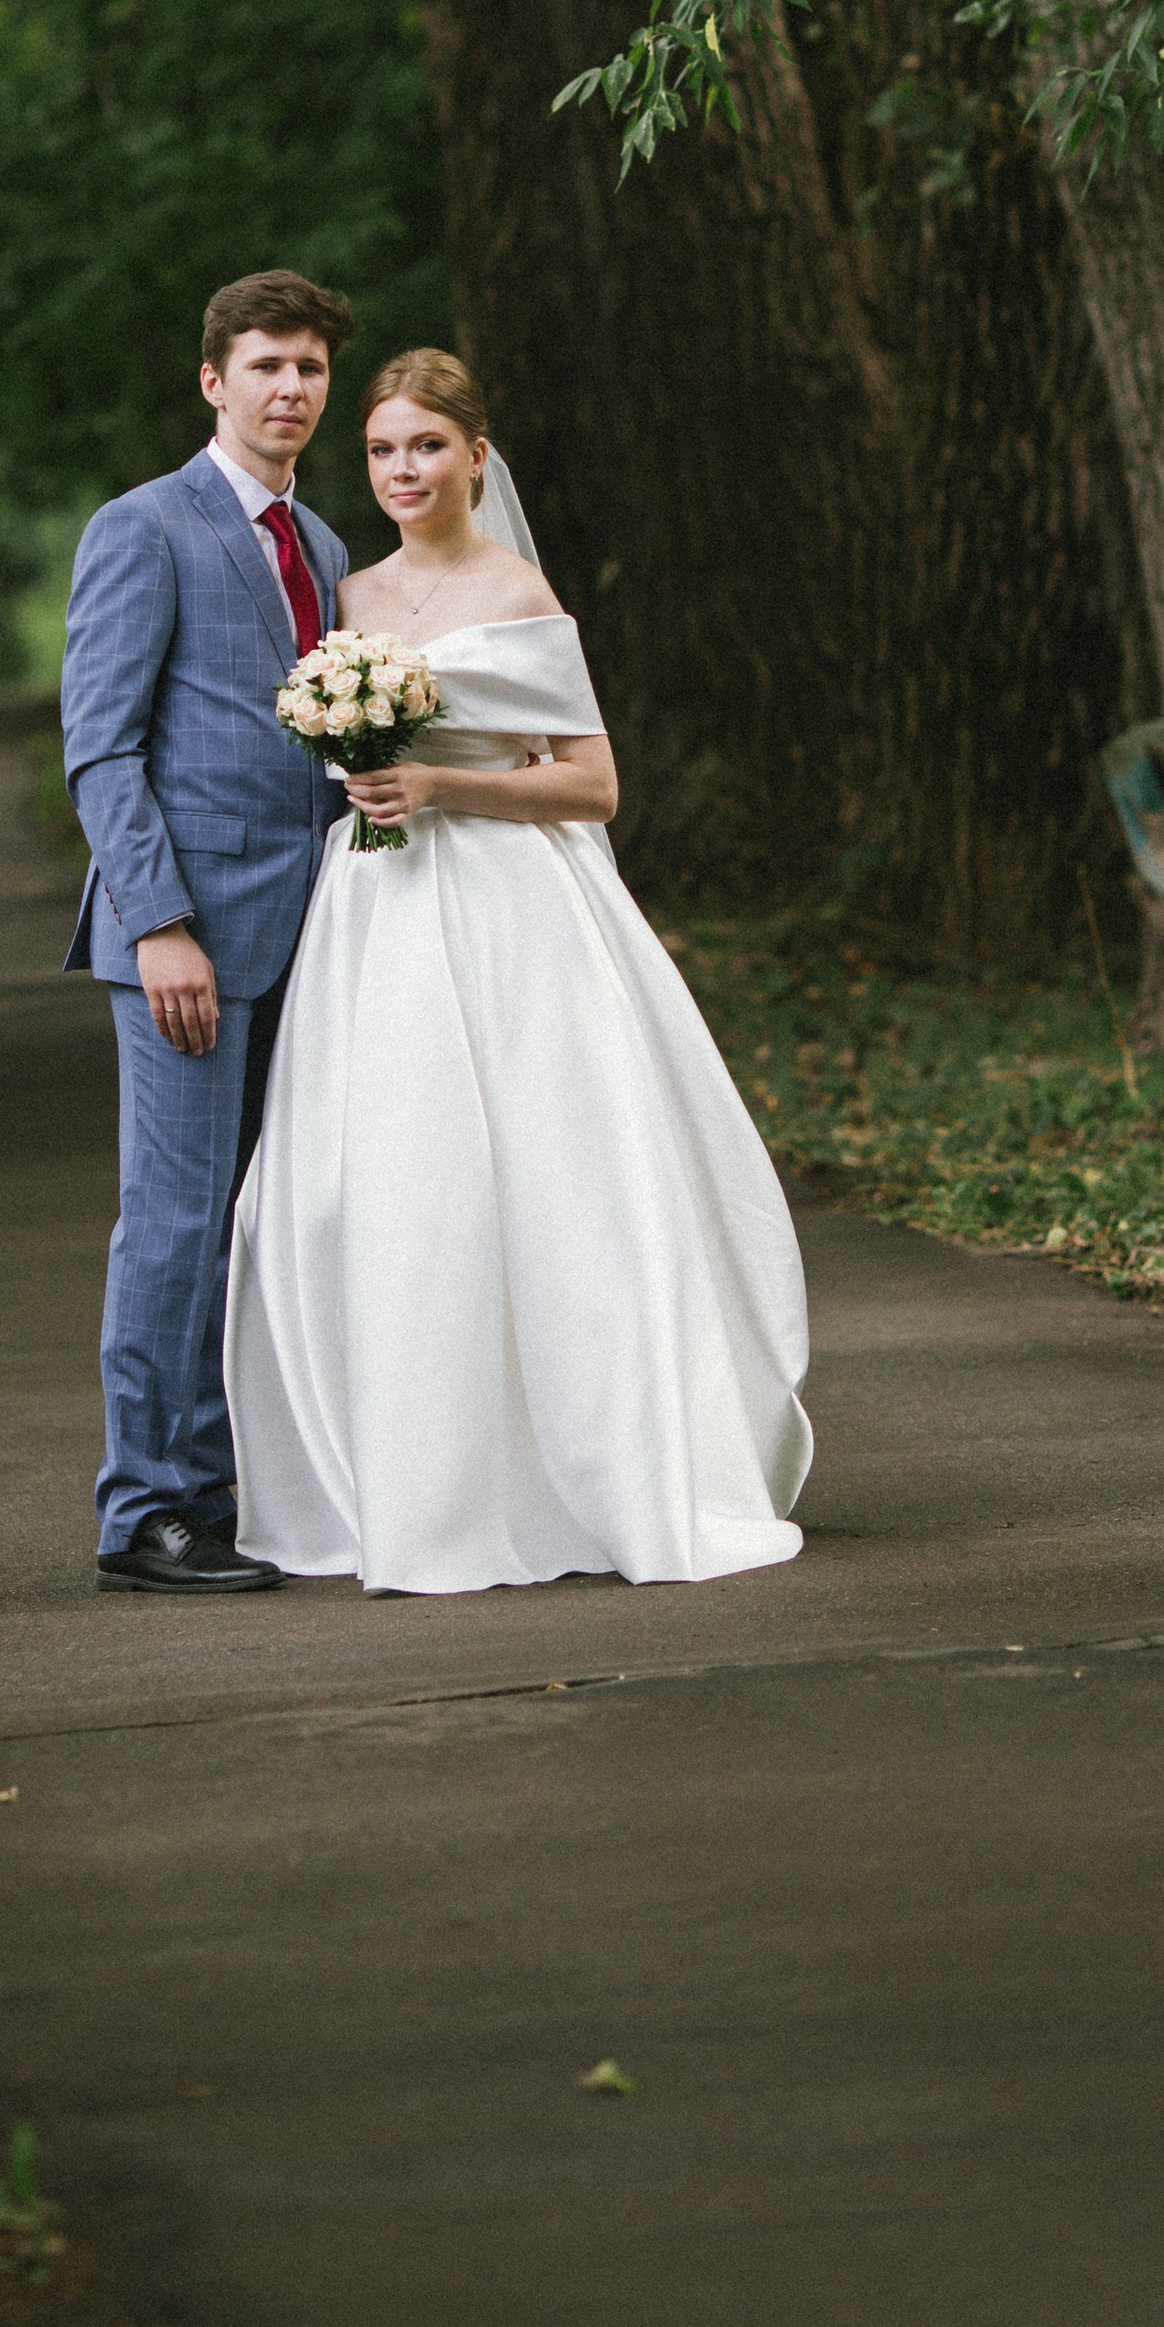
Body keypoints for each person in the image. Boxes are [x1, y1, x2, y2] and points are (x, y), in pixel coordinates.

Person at [225, 348, 812, 1595]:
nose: (402, 470)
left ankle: (593, 1471)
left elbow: (592, 786)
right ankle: (427, 1486)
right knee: (393, 1187)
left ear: (475, 456)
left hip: (512, 913)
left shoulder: (516, 587)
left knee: (555, 1180)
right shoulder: (349, 593)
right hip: (376, 913)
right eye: (382, 450)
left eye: (426, 446)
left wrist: (440, 784)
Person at [61, 268, 355, 1594]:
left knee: (272, 1222)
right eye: (266, 366)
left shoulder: (325, 547)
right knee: (175, 1224)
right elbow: (101, 746)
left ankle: (236, 1488)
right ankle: (149, 1512)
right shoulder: (144, 528)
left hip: (314, 938)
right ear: (213, 381)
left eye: (308, 369)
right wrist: (160, 923)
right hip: (185, 941)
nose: (289, 389)